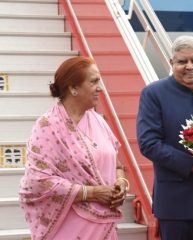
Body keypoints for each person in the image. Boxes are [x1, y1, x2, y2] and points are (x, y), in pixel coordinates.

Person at [19, 56, 129, 240]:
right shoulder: (48, 126)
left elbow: (117, 164)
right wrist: (91, 193)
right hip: (69, 227)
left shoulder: (98, 121)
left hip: (105, 227)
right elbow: (37, 181)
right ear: (73, 88)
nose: (100, 88)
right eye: (94, 82)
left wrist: (122, 184)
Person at [137, 35, 193, 240]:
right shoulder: (153, 93)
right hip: (176, 205)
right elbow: (148, 144)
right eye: (182, 62)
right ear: (172, 64)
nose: (189, 67)